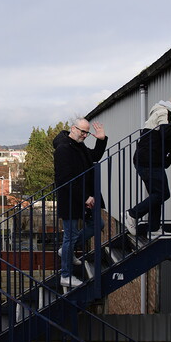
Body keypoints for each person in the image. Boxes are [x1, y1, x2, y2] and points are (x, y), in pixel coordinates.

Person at [125, 96, 171, 239]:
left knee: (156, 194)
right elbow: (167, 133)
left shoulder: (165, 113)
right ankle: (132, 214)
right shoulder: (165, 112)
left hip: (149, 161)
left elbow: (166, 136)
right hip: (149, 161)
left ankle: (154, 229)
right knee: (163, 194)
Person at [53, 117, 108, 288]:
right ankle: (66, 275)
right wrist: (85, 196)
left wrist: (101, 140)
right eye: (82, 131)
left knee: (97, 224)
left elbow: (94, 157)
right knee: (70, 236)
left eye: (87, 132)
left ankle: (66, 251)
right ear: (73, 128)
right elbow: (65, 179)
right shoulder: (63, 149)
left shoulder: (79, 146)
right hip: (71, 200)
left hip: (84, 198)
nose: (84, 135)